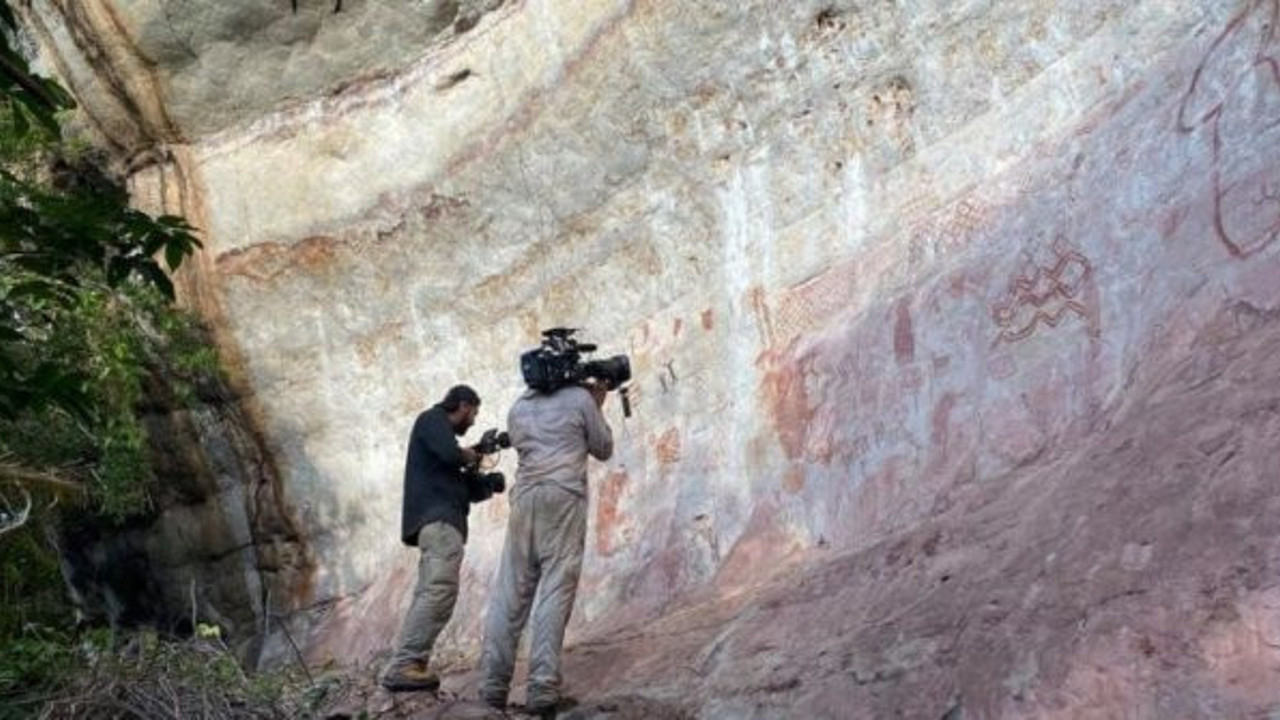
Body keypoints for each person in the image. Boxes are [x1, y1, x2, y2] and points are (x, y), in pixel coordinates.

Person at [479, 378, 613, 714]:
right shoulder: (580, 399)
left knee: (510, 594)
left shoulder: (519, 407)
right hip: (563, 496)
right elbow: (603, 447)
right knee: (555, 589)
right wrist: (596, 404)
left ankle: (492, 688)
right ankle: (542, 690)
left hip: (524, 499)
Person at [380, 384, 484, 692]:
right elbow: (450, 454)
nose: (474, 421)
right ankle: (405, 665)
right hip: (438, 523)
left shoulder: (442, 445)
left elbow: (465, 484)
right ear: (462, 405)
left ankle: (411, 663)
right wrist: (469, 454)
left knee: (432, 592)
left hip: (440, 521)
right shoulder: (432, 419)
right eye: (474, 413)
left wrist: (485, 480)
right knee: (439, 590)